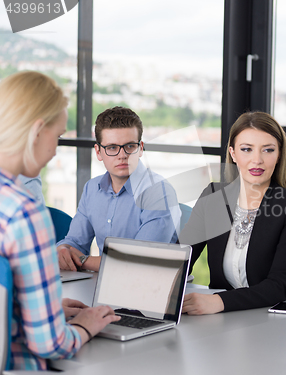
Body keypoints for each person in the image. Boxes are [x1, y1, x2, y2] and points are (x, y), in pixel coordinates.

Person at [0, 71, 120, 371]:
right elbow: (50, 344)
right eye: (58, 136)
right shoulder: (24, 210)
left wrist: (39, 311)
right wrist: (85, 325)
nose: (55, 150)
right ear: (38, 131)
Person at [179, 111, 286, 315]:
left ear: (278, 155)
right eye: (246, 149)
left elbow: (279, 286)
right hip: (226, 318)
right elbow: (181, 258)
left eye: (267, 150)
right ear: (233, 153)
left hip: (274, 317)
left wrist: (218, 302)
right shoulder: (213, 196)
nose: (256, 160)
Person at [57, 106, 181, 272]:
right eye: (112, 148)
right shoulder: (92, 189)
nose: (122, 155)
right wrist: (62, 251)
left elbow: (139, 259)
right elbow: (75, 242)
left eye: (130, 146)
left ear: (141, 148)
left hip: (150, 288)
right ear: (99, 152)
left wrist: (83, 261)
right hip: (102, 284)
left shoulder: (159, 192)